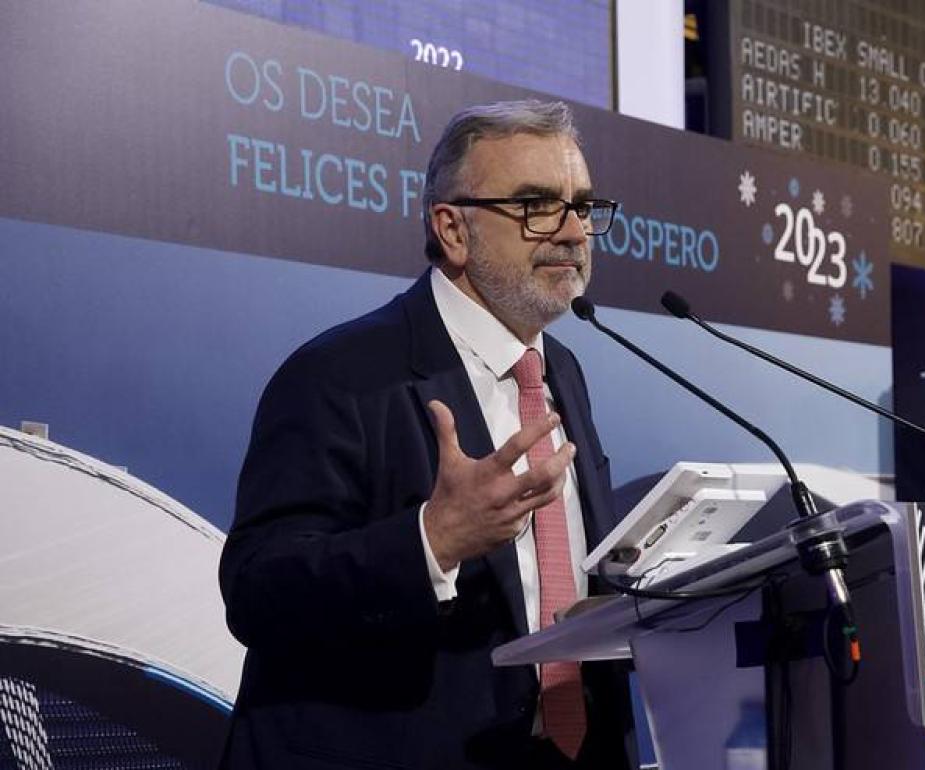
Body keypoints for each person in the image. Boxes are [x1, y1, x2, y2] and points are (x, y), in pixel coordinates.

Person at [218, 100, 631, 769]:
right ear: (453, 229)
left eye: (581, 205)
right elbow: (257, 591)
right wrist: (431, 541)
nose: (573, 231)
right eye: (534, 204)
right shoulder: (339, 375)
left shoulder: (563, 371)